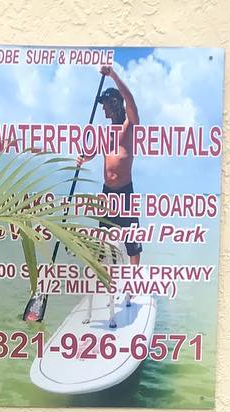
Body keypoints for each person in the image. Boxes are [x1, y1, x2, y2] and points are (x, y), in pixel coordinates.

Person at [77, 63, 143, 271]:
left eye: (105, 104)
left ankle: (133, 282)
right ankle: (109, 282)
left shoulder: (129, 125)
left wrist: (113, 74)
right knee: (104, 239)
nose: (103, 108)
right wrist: (83, 159)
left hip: (125, 191)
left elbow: (130, 102)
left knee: (132, 240)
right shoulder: (105, 131)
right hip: (107, 193)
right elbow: (93, 152)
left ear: (114, 103)